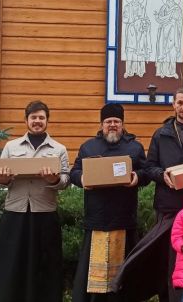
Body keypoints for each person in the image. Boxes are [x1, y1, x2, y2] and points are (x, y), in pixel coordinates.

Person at [114, 87, 183, 302]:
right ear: (173, 104)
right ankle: (168, 297)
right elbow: (149, 166)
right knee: (168, 258)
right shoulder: (160, 134)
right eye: (180, 103)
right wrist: (163, 175)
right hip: (168, 205)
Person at [0, 101, 70, 302]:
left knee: (45, 264)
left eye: (41, 118)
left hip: (44, 214)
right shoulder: (11, 146)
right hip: (15, 213)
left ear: (47, 121)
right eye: (33, 117)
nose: (37, 121)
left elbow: (66, 180)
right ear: (26, 120)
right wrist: (3, 179)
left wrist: (54, 180)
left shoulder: (59, 149)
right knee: (12, 262)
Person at [69, 103, 148, 302]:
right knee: (95, 271)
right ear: (102, 124)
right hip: (97, 218)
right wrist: (82, 179)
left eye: (116, 122)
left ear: (122, 124)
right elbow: (74, 172)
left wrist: (136, 177)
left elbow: (146, 172)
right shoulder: (88, 147)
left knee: (124, 272)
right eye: (108, 122)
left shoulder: (135, 147)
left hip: (124, 218)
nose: (112, 125)